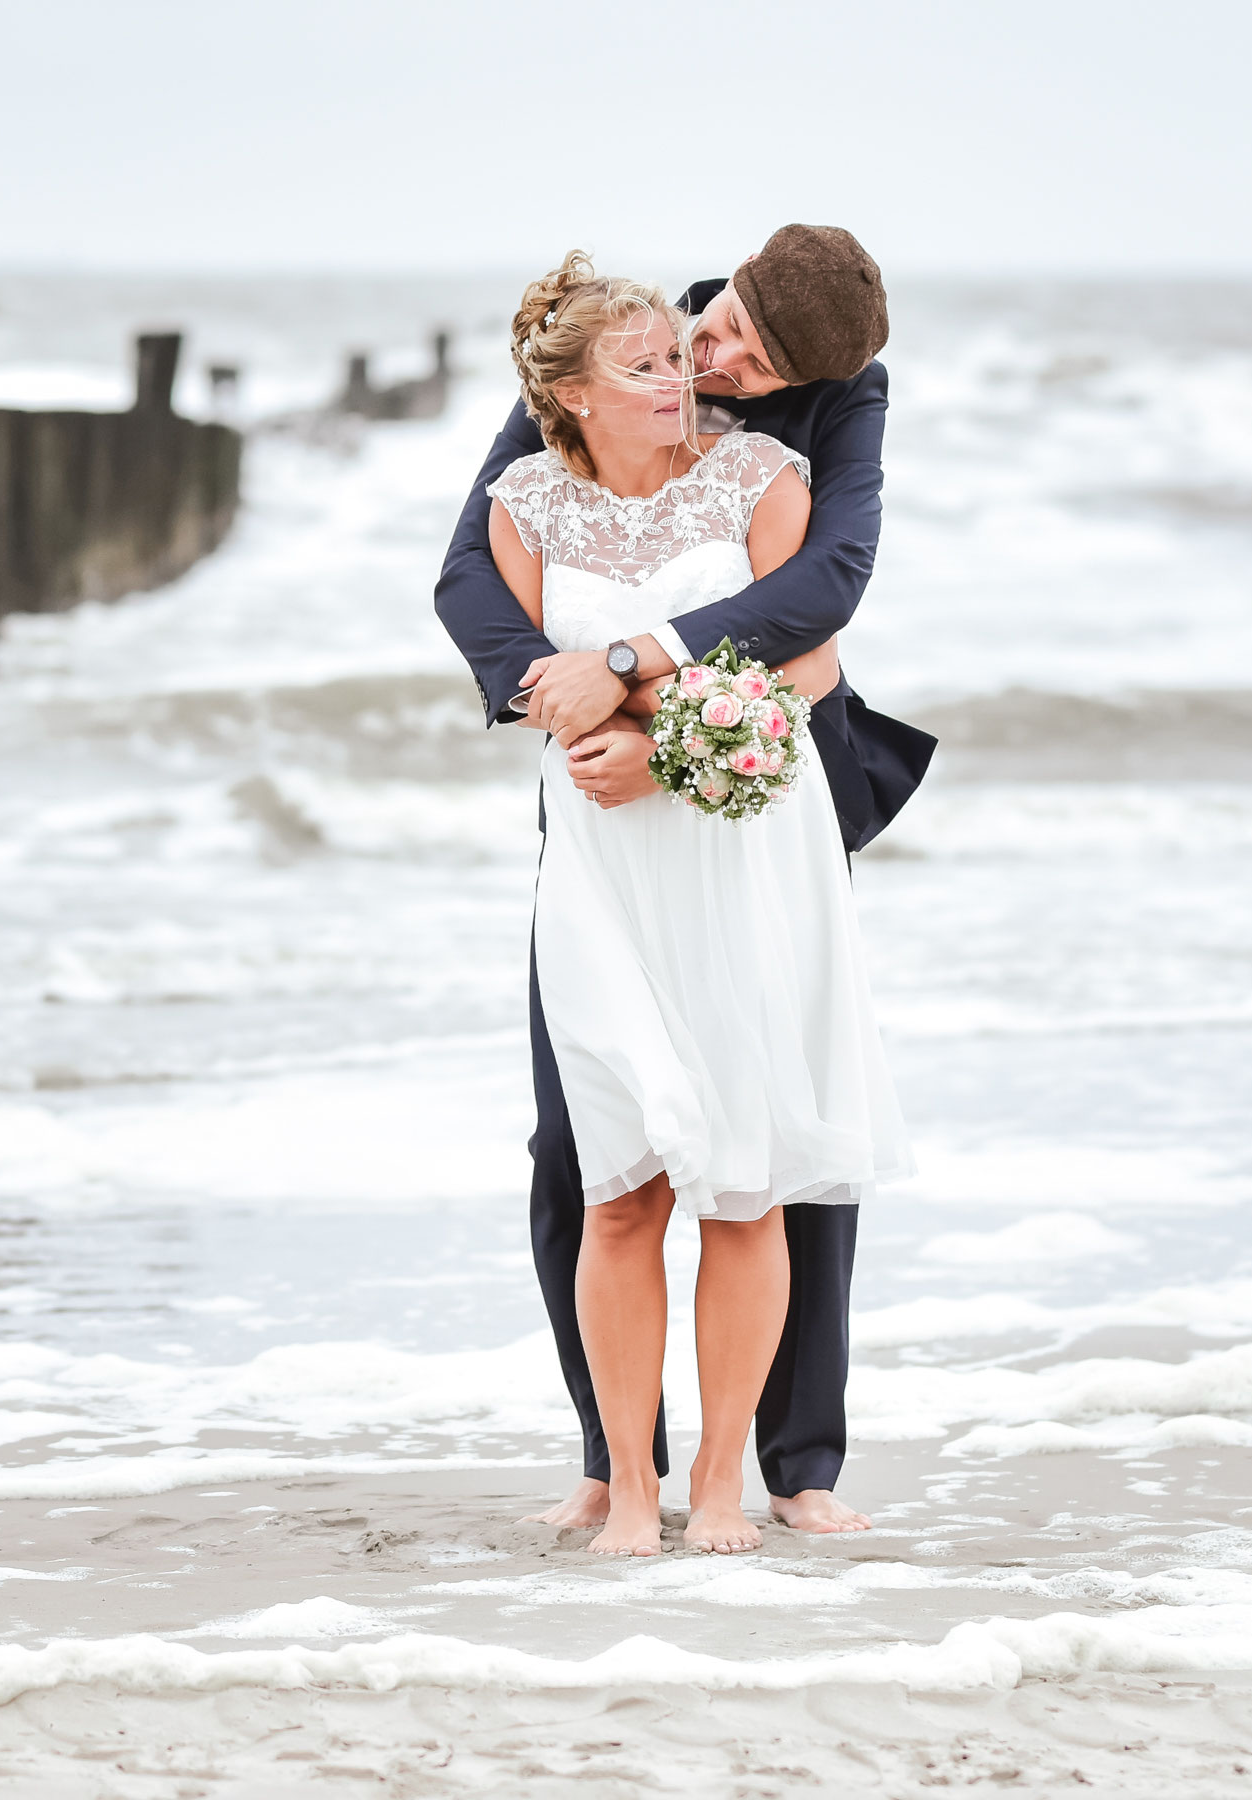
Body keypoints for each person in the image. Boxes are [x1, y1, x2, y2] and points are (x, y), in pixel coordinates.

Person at [431, 227, 934, 1548]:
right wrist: (556, 699)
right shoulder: (626, 346)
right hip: (597, 805)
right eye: (718, 340)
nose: (713, 372)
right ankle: (615, 1466)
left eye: (746, 367)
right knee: (585, 1146)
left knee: (778, 1134)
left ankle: (794, 1463)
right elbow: (471, 574)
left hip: (755, 788)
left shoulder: (826, 407)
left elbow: (826, 587)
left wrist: (652, 699)